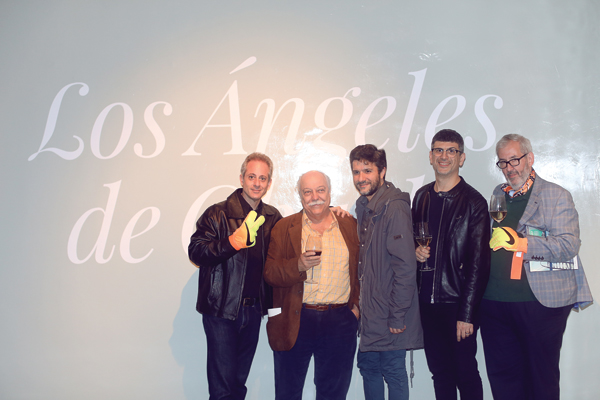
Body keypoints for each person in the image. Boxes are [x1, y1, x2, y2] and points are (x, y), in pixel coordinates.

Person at [480, 134, 593, 400]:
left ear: (529, 158)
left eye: (514, 160)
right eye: (503, 162)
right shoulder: (498, 194)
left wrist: (522, 243)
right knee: (503, 381)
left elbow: (569, 245)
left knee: (540, 380)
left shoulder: (556, 195)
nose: (509, 168)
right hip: (494, 303)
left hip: (539, 303)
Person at [188, 152, 282, 400]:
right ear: (241, 178)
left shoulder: (273, 217)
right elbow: (196, 252)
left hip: (253, 311)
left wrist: (329, 211)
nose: (257, 183)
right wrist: (232, 242)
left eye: (262, 178)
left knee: (239, 385)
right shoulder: (217, 213)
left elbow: (292, 242)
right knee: (222, 390)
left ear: (269, 183)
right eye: (252, 177)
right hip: (221, 310)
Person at [264, 170, 360, 400]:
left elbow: (364, 269)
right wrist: (297, 265)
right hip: (296, 318)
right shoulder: (283, 227)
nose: (315, 197)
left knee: (333, 395)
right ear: (300, 196)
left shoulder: (350, 225)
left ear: (329, 192)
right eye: (307, 192)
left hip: (340, 321)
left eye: (320, 190)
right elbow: (270, 273)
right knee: (288, 393)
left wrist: (356, 309)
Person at [411, 129, 490, 400]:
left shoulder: (474, 202)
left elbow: (479, 266)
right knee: (440, 374)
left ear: (461, 158)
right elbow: (411, 241)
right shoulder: (421, 196)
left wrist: (467, 314)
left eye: (451, 151)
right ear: (430, 156)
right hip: (426, 303)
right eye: (438, 150)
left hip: (457, 305)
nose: (444, 156)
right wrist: (415, 252)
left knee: (465, 373)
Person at [350, 144, 423, 400]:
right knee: (369, 369)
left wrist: (397, 315)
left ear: (382, 171)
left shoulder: (394, 207)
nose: (361, 178)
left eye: (367, 171)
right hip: (370, 313)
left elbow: (405, 267)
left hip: (390, 312)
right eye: (356, 172)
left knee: (393, 371)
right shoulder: (364, 206)